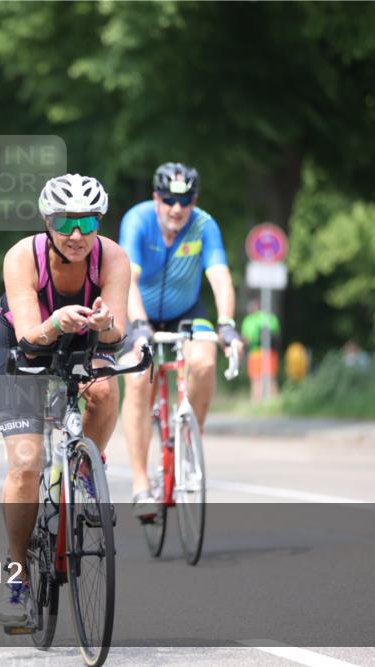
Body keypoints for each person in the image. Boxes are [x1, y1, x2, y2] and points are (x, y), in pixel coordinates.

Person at [0, 173, 130, 629]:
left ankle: (86, 472)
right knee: (26, 462)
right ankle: (17, 576)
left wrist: (105, 324)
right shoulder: (22, 257)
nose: (76, 234)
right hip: (22, 340)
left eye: (88, 222)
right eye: (66, 222)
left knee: (105, 388)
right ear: (48, 222)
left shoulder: (113, 257)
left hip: (83, 334)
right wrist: (56, 321)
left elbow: (118, 333)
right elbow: (31, 337)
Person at [118, 162, 243, 515]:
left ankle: (190, 439)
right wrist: (139, 324)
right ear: (156, 198)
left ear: (194, 201)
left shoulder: (204, 225)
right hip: (137, 310)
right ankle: (141, 483)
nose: (177, 208)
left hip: (186, 310)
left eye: (185, 200)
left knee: (203, 362)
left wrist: (227, 324)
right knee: (138, 377)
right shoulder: (138, 220)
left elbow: (220, 276)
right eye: (169, 200)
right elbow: (127, 279)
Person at [241, 298, 281, 402]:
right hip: (270, 352)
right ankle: (274, 403)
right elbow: (276, 332)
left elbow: (246, 338)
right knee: (271, 378)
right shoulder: (271, 317)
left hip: (255, 353)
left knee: (256, 380)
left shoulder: (249, 320)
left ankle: (256, 402)